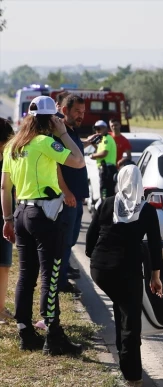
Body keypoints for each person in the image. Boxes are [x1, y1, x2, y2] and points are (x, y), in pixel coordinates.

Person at [1, 96, 85, 354]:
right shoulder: (47, 142)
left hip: (21, 213)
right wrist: (63, 134)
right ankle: (53, 335)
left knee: (26, 276)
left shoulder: (13, 145)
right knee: (50, 274)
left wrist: (6, 219)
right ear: (51, 119)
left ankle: (25, 333)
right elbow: (78, 160)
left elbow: (5, 187)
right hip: (45, 216)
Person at [86, 164, 163, 387]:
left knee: (121, 309)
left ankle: (123, 359)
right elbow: (156, 245)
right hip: (127, 271)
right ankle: (132, 376)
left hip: (101, 270)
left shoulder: (107, 203)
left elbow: (91, 237)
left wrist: (96, 258)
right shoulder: (147, 210)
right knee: (131, 321)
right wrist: (155, 277)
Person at [53, 94, 90, 299]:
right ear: (64, 110)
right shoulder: (59, 133)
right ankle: (59, 282)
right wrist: (66, 191)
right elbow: (55, 165)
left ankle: (63, 275)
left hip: (76, 199)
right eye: (77, 111)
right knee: (64, 241)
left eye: (83, 112)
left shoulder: (72, 132)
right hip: (67, 199)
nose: (81, 116)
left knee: (71, 240)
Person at [0, 118, 15, 325]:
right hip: (5, 216)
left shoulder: (10, 158)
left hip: (4, 216)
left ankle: (1, 308)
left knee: (4, 265)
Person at [88, 120, 117, 198]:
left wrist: (92, 156)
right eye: (96, 129)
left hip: (107, 169)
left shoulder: (107, 139)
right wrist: (94, 145)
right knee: (106, 191)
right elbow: (100, 150)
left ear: (105, 129)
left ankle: (105, 208)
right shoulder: (103, 139)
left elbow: (104, 153)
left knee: (105, 191)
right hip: (106, 169)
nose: (97, 131)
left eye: (99, 129)